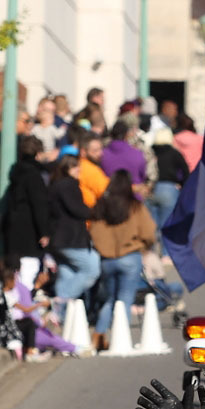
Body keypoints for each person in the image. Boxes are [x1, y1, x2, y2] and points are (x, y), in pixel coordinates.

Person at [90, 170, 156, 350]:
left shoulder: (101, 206)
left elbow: (94, 232)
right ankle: (120, 338)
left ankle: (99, 335)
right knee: (125, 300)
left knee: (110, 299)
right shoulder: (135, 206)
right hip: (130, 256)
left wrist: (104, 249)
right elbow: (149, 231)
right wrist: (144, 245)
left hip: (106, 259)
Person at [47, 155, 100, 317]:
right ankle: (60, 302)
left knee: (67, 274)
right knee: (92, 268)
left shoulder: (55, 185)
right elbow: (78, 209)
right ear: (67, 169)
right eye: (75, 167)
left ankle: (60, 317)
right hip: (71, 240)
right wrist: (95, 212)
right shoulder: (69, 185)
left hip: (57, 240)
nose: (79, 170)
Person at [1, 135, 51, 289]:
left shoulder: (16, 173)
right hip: (29, 233)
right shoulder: (34, 175)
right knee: (28, 273)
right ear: (38, 153)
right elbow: (39, 205)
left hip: (13, 231)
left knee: (16, 273)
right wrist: (44, 232)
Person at [101, 120, 147, 191]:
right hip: (132, 194)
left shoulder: (101, 154)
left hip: (110, 194)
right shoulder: (137, 154)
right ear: (126, 134)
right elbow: (143, 176)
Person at [78, 133, 109, 208]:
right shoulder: (90, 170)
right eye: (95, 150)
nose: (101, 153)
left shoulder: (78, 165)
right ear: (83, 152)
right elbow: (108, 192)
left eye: (101, 149)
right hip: (92, 212)